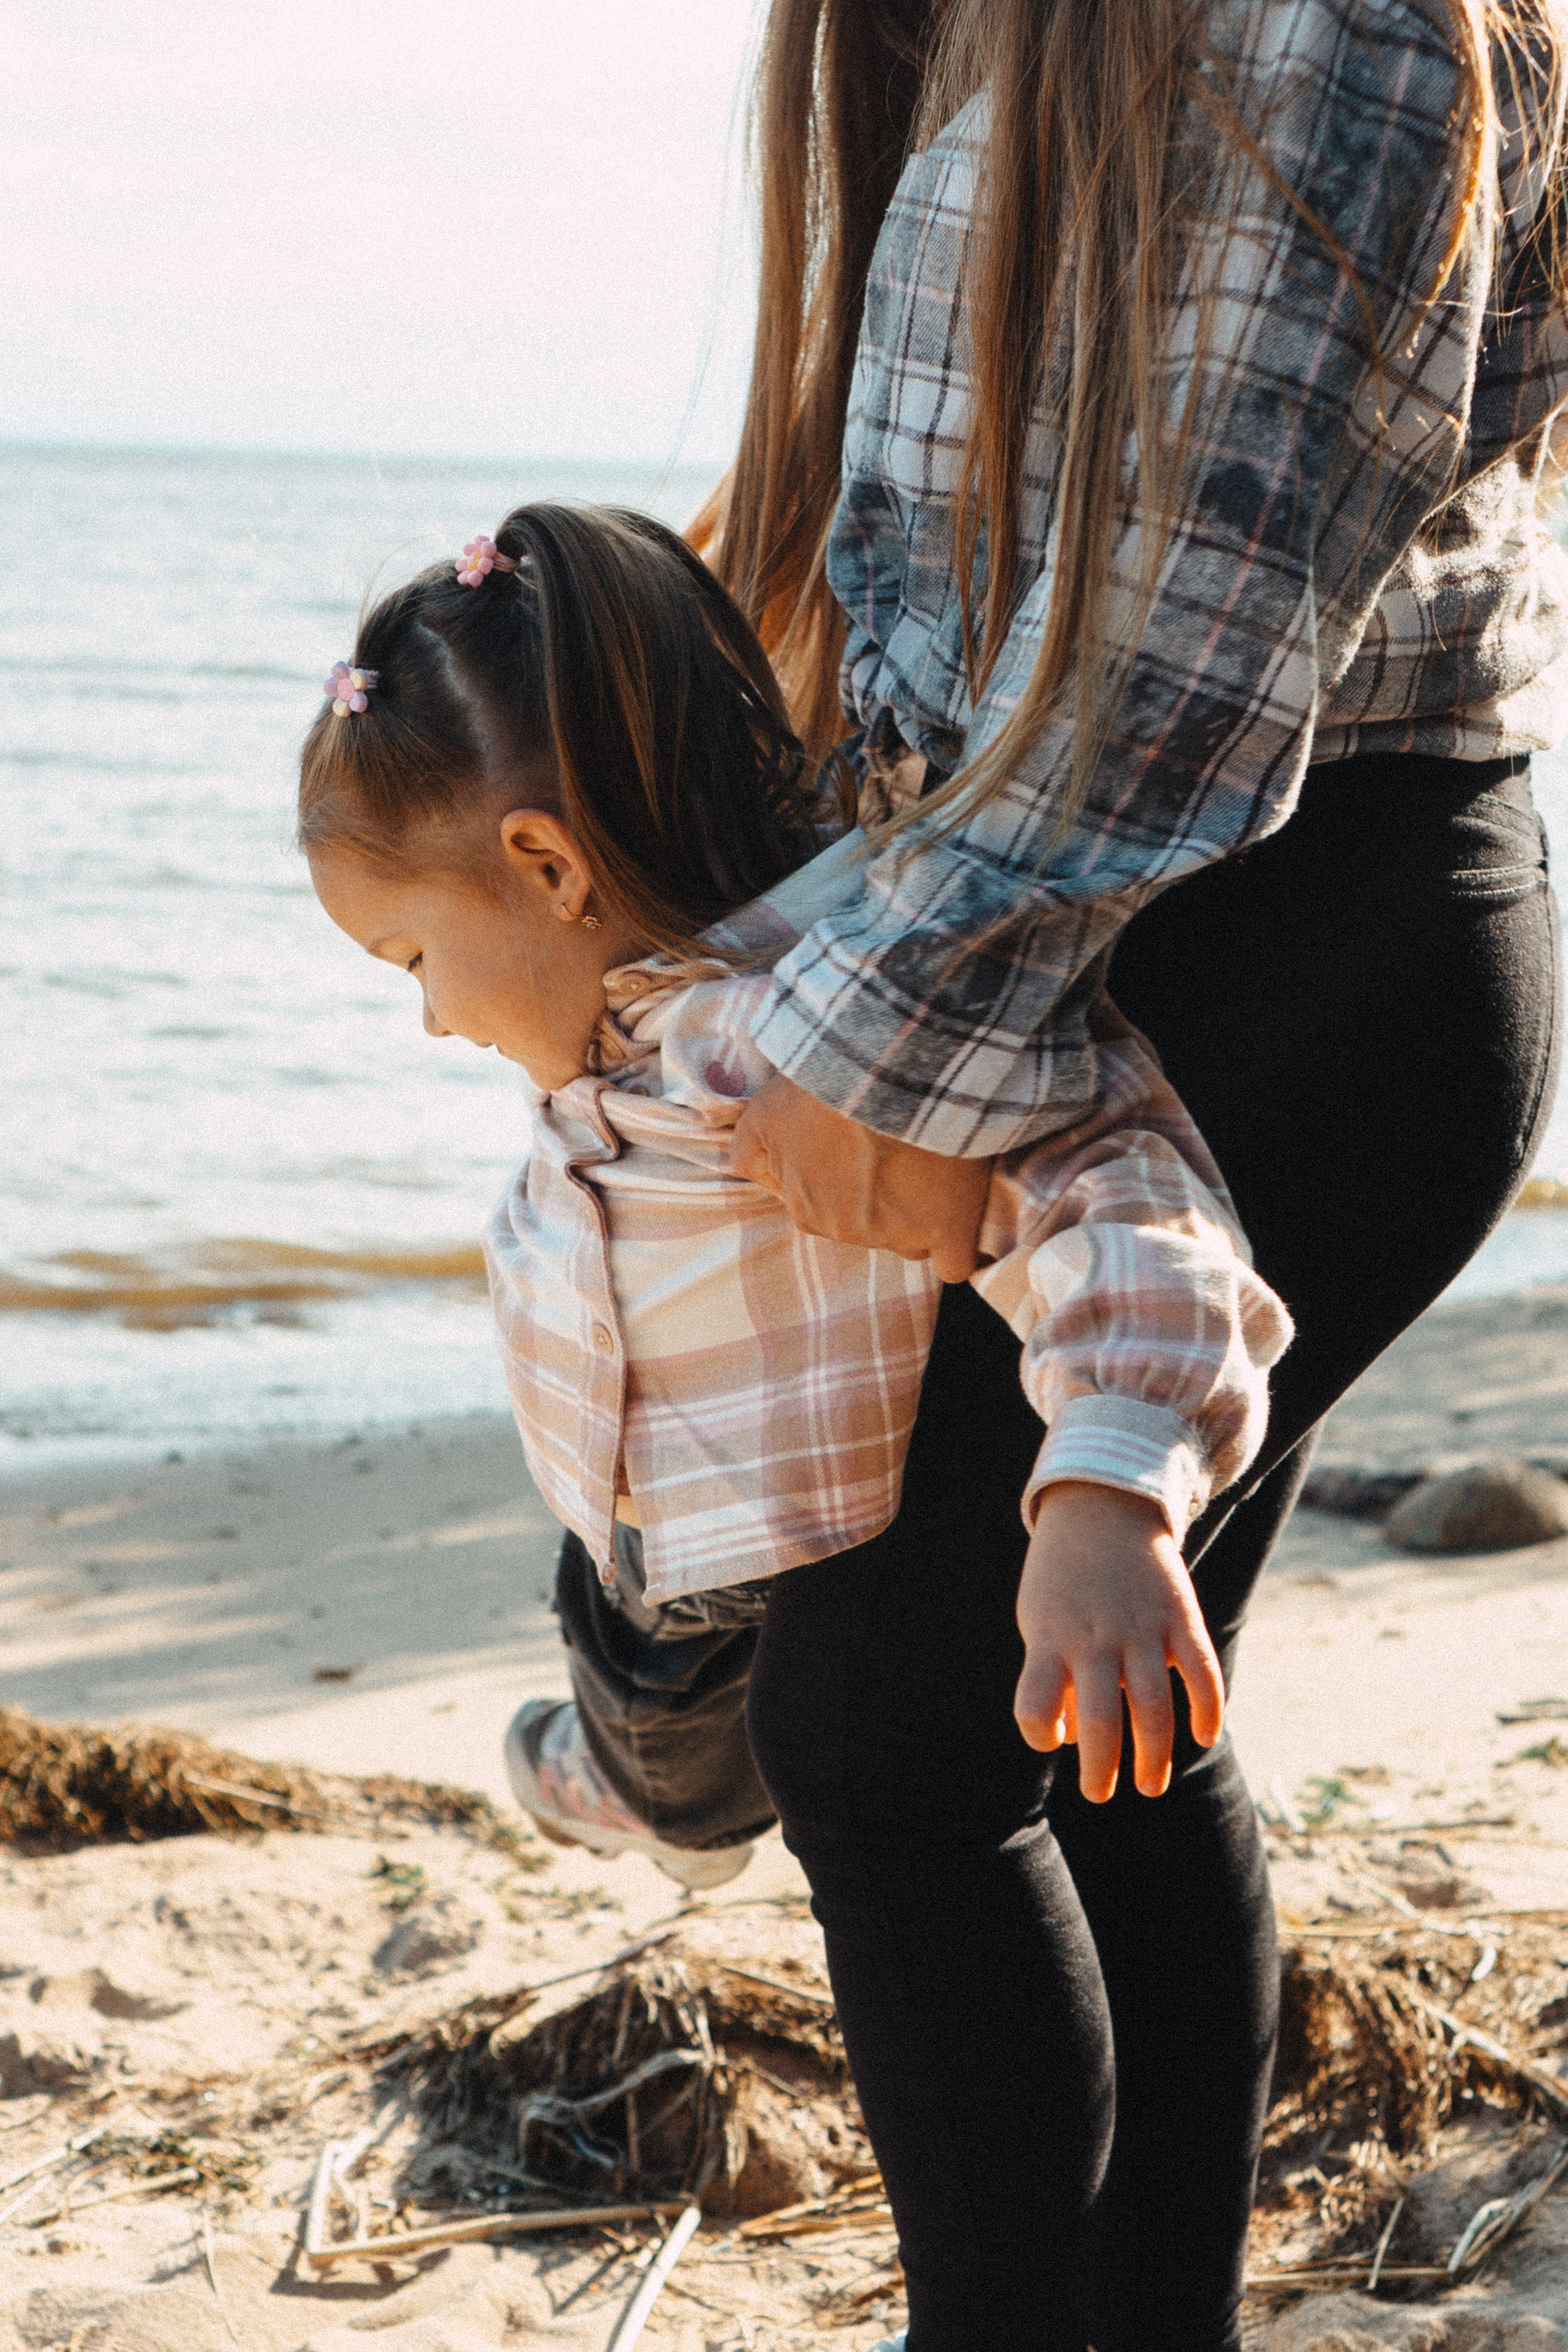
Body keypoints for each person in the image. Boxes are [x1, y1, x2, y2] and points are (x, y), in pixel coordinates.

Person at [518, 4, 1562, 2350]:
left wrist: (877, 1043)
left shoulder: (1323, 24)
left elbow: (1187, 658)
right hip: (1124, 921)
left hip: (1280, 950)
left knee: (889, 1748)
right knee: (1093, 1736)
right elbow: (959, 605)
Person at [299, 500, 1289, 1896]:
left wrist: (1111, 1485)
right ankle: (612, 1752)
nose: (430, 1019)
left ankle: (634, 1790)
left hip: (741, 1570)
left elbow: (1125, 1205)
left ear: (549, 867)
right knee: (604, 1628)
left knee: (670, 1755)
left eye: (412, 959)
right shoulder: (621, 1001)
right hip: (629, 1516)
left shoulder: (803, 1039)